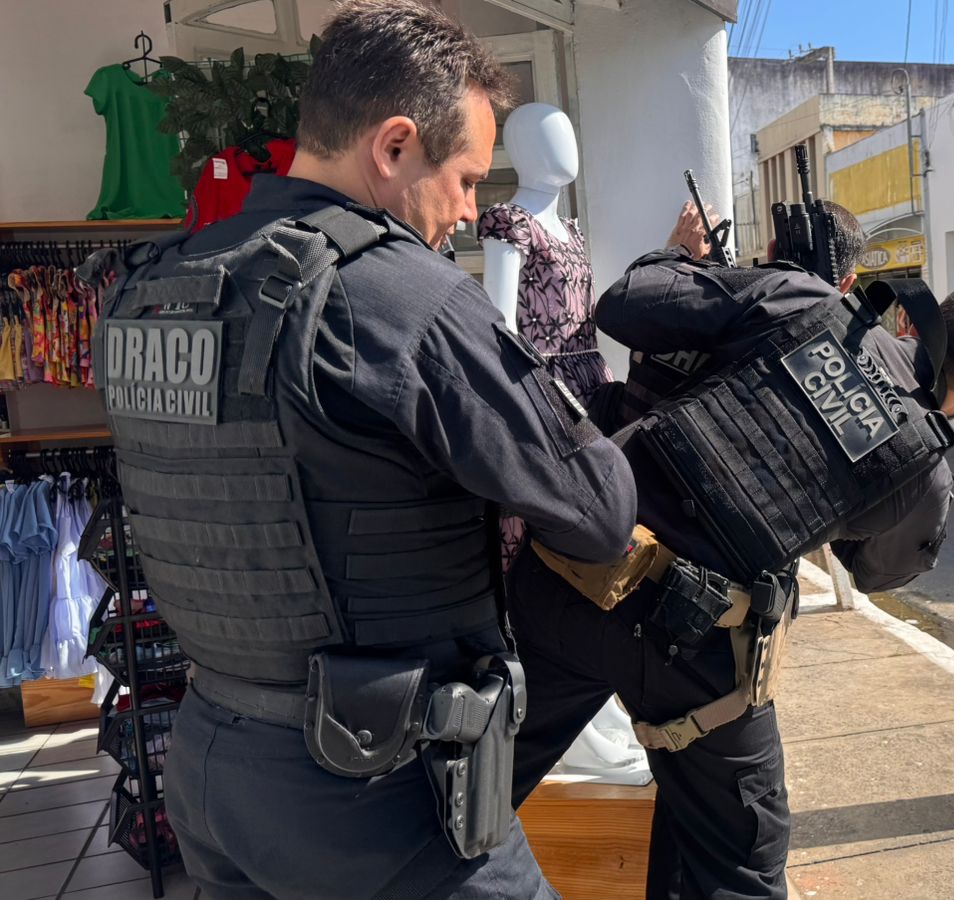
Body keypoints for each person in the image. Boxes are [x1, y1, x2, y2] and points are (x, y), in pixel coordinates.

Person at [94, 2, 636, 897]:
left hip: (208, 763)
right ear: (393, 147)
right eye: (463, 177)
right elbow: (598, 509)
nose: (469, 210)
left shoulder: (163, 284)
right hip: (374, 789)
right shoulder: (399, 298)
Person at [506, 199, 954, 899]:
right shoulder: (925, 473)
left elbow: (625, 307)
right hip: (693, 649)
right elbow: (877, 570)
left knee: (460, 793)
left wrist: (692, 264)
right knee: (739, 865)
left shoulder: (801, 298)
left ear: (915, 318)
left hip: (571, 575)